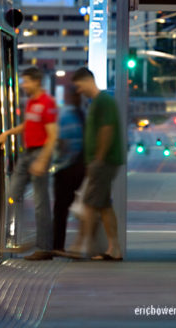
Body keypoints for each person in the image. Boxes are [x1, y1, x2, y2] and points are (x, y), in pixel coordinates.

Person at [0, 67, 58, 260]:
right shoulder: (32, 102)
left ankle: (44, 247)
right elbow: (29, 125)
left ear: (36, 81)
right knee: (12, 194)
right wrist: (8, 133)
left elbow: (53, 135)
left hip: (40, 153)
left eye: (26, 81)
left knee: (41, 203)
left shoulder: (47, 103)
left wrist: (42, 161)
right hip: (27, 153)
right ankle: (17, 237)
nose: (23, 85)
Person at [70, 67, 124, 261]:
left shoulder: (103, 102)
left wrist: (99, 159)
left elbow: (106, 130)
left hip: (104, 162)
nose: (78, 91)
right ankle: (113, 249)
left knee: (89, 204)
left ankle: (80, 245)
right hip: (101, 162)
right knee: (103, 206)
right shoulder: (97, 103)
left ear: (87, 81)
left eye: (78, 86)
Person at [52, 88, 85, 253]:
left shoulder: (66, 116)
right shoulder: (84, 116)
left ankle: (58, 246)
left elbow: (62, 143)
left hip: (66, 168)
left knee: (60, 209)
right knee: (79, 206)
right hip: (81, 167)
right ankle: (79, 244)